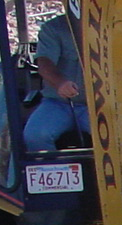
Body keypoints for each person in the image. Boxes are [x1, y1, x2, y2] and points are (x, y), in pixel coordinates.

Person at [25, 1, 89, 152]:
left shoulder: (117, 28)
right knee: (35, 135)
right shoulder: (54, 28)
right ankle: (50, 173)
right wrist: (61, 83)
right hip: (59, 104)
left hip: (103, 106)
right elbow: (44, 62)